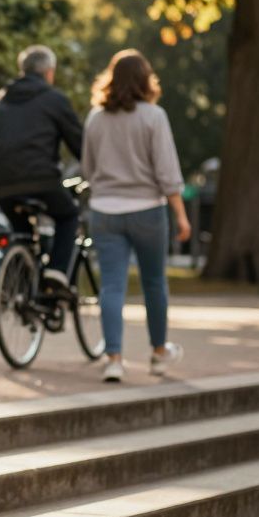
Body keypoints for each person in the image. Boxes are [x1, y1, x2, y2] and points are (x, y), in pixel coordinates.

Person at [81, 49, 190, 383]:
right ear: (146, 80)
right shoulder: (154, 116)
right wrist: (181, 216)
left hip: (105, 211)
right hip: (147, 209)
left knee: (111, 286)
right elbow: (167, 171)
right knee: (154, 282)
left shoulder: (96, 118)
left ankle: (113, 358)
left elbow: (88, 168)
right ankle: (158, 354)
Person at [0, 45, 84, 291]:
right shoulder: (55, 99)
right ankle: (57, 272)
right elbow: (79, 143)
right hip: (41, 179)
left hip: (2, 183)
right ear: (49, 72)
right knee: (68, 216)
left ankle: (24, 288)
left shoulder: (1, 99)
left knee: (23, 233)